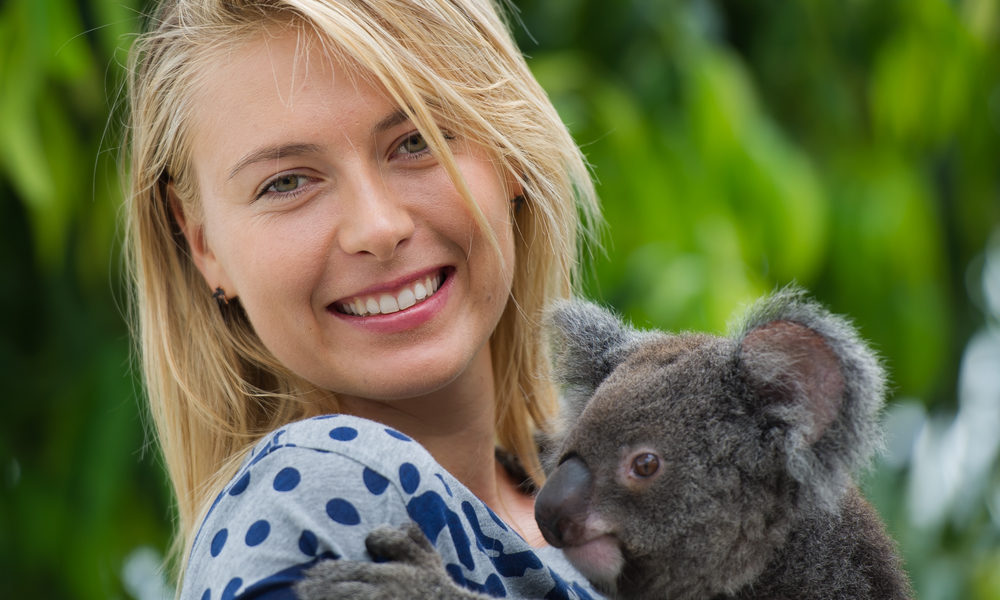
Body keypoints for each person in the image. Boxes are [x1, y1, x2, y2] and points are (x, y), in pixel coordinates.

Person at [125, 0, 601, 597]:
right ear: (202, 244)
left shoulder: (603, 492)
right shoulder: (307, 494)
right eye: (288, 183)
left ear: (509, 152)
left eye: (417, 140)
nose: (376, 228)